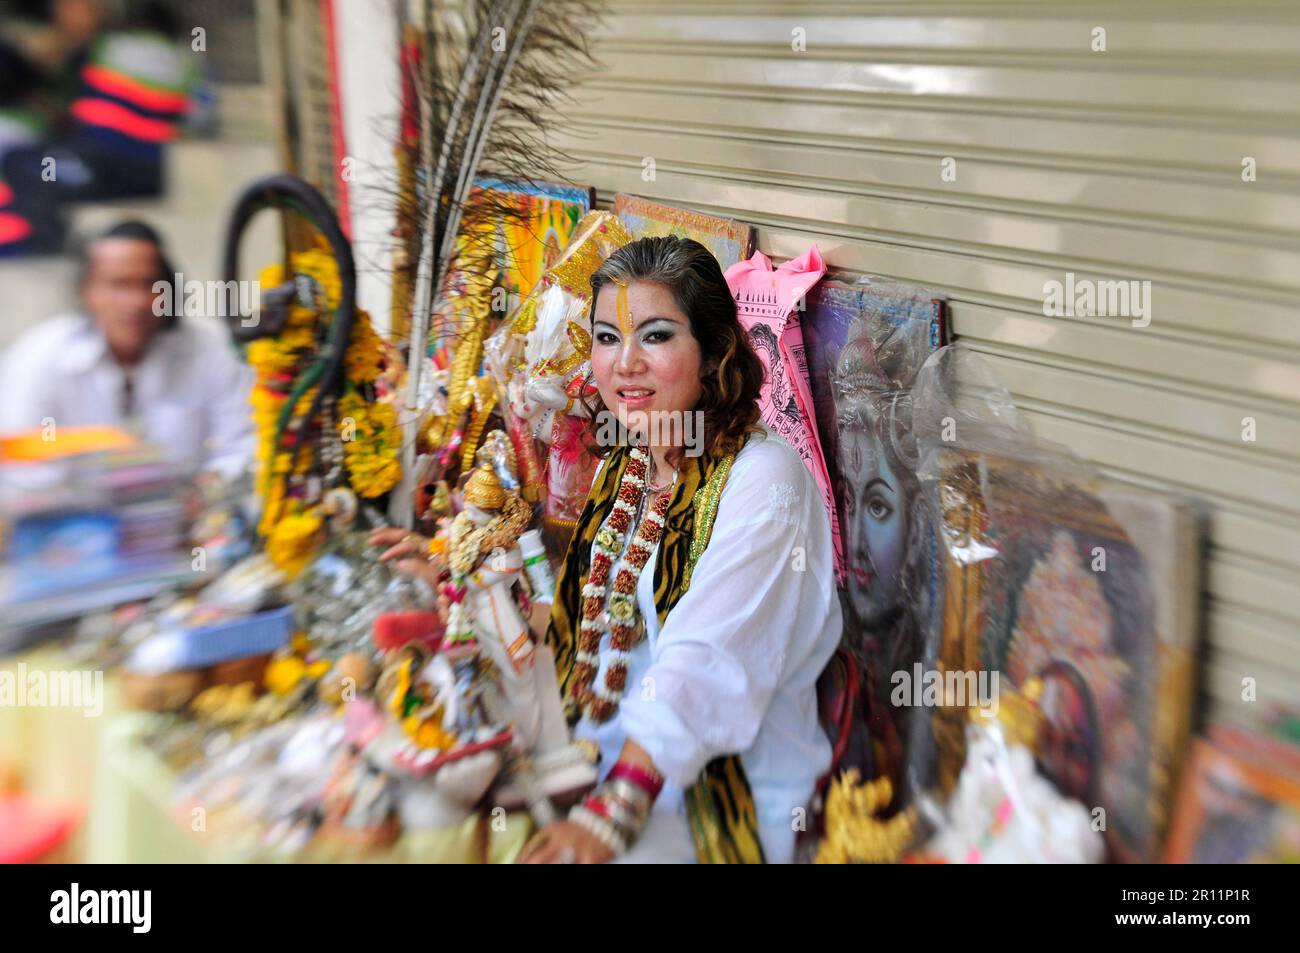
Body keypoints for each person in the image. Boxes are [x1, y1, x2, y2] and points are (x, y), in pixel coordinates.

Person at [517, 236, 842, 863]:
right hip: (605, 763)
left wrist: (610, 815)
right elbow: (583, 617)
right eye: (607, 337)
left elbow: (704, 663)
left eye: (656, 336)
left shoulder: (765, 481)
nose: (624, 364)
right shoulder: (637, 460)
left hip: (715, 806)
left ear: (714, 352)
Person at [0, 219, 254, 479]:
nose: (137, 301)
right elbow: (19, 461)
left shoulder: (213, 348)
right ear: (86, 290)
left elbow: (243, 446)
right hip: (76, 515)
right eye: (119, 284)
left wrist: (210, 487)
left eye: (149, 284)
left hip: (196, 514)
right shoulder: (38, 355)